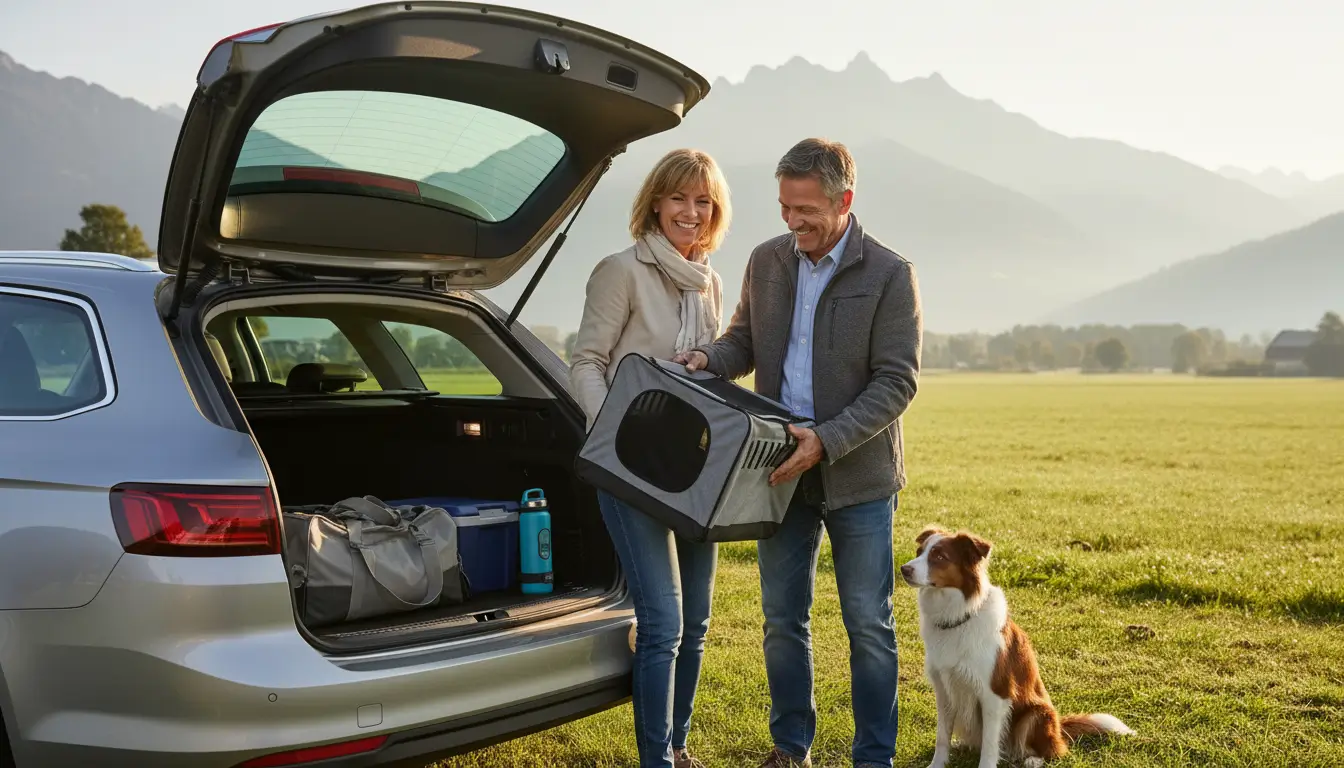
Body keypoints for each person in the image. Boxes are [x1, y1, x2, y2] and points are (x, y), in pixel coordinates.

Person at [675, 137, 922, 768]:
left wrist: (828, 439)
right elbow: (744, 343)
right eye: (785, 207)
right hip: (777, 470)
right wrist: (710, 360)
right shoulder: (766, 261)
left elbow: (897, 382)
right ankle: (791, 747)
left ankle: (874, 757)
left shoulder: (891, 274)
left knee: (868, 624)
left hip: (859, 476)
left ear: (845, 200)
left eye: (806, 209)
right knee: (783, 620)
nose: (793, 222)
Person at [569, 148, 733, 768]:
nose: (691, 212)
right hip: (629, 465)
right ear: (656, 203)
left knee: (698, 624)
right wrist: (609, 436)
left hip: (693, 470)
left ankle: (680, 746)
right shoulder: (621, 270)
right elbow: (587, 362)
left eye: (703, 201)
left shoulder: (710, 281)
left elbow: (706, 373)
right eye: (679, 199)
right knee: (662, 624)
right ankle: (655, 759)